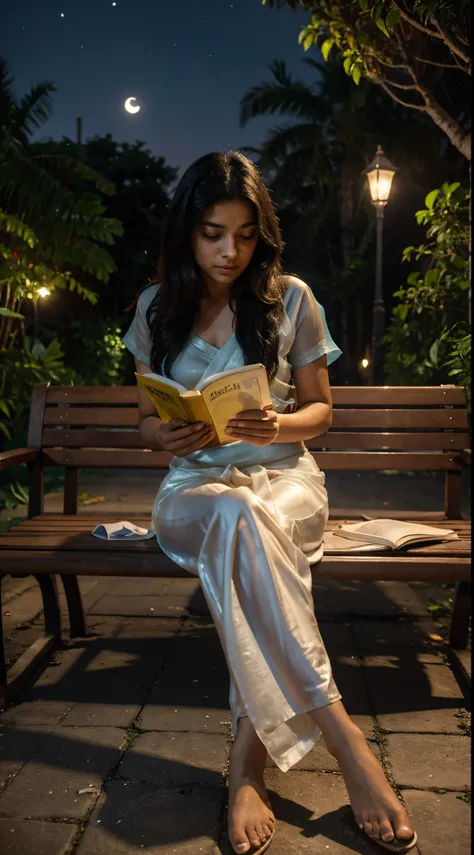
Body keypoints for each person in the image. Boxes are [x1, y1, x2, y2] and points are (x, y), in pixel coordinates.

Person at [122, 150, 417, 855]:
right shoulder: (155, 307)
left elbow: (322, 411)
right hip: (194, 490)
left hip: (286, 478)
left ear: (263, 234)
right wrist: (167, 431)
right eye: (214, 232)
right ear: (187, 232)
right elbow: (143, 422)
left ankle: (246, 765)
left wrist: (278, 425)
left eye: (245, 234)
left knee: (256, 519)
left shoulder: (293, 299)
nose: (230, 250)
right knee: (232, 513)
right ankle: (347, 741)